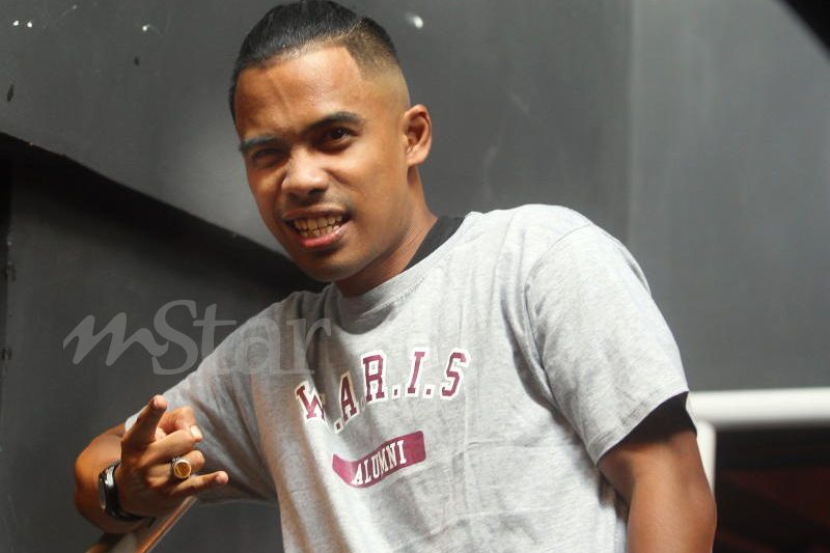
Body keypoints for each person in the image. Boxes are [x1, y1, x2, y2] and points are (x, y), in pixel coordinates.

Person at [74, 1, 717, 551]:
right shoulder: (273, 356)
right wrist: (125, 489)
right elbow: (99, 464)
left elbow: (672, 486)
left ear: (412, 137)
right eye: (268, 154)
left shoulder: (539, 260)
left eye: (333, 136)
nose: (300, 179)